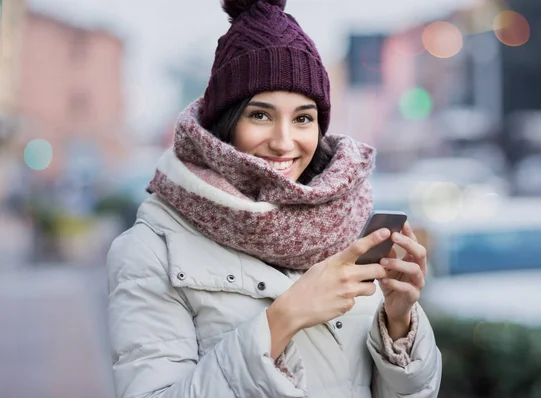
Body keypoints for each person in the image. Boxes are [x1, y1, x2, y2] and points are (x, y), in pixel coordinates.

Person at [106, 1, 442, 397]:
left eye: (303, 118)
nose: (284, 142)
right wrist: (283, 319)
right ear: (225, 122)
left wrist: (399, 322)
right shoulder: (152, 249)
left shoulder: (345, 225)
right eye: (261, 115)